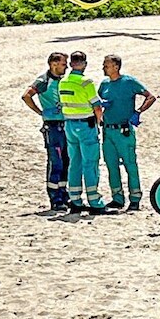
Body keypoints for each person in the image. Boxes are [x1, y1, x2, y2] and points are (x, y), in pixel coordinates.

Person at [98, 55, 157, 211]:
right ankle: (117, 199)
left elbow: (150, 97)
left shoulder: (129, 82)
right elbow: (96, 103)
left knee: (130, 165)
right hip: (108, 130)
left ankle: (135, 198)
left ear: (116, 67)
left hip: (124, 131)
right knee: (111, 165)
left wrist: (138, 112)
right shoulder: (104, 84)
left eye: (106, 65)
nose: (103, 68)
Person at [59, 51, 107, 214]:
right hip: (85, 126)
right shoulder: (86, 82)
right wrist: (100, 121)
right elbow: (96, 106)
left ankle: (75, 199)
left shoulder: (63, 82)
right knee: (90, 163)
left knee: (75, 163)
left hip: (69, 125)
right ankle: (95, 200)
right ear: (84, 64)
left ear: (71, 64)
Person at [22, 52, 69, 211]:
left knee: (66, 160)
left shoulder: (63, 80)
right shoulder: (44, 80)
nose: (66, 67)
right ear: (53, 64)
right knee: (55, 161)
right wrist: (41, 112)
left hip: (65, 124)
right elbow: (26, 96)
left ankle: (64, 194)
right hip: (52, 126)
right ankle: (55, 197)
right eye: (63, 64)